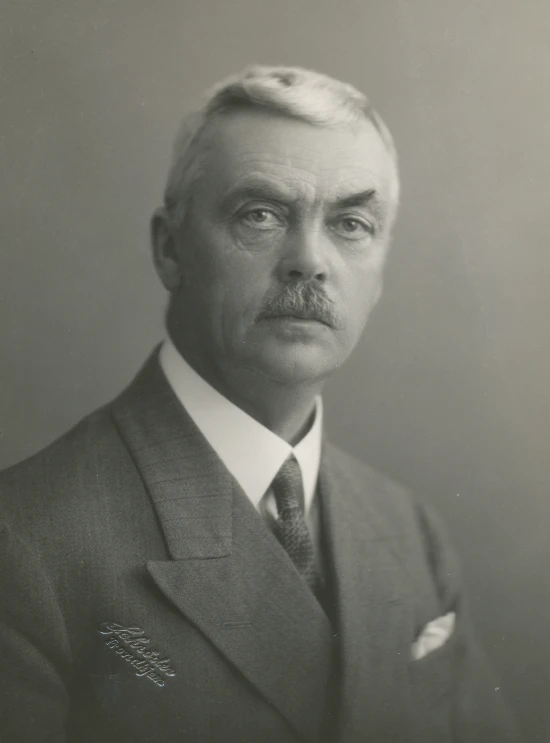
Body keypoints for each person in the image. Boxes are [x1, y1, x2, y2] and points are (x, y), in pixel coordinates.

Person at [0, 65, 521, 743]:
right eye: (261, 215)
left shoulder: (411, 532)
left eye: (351, 223)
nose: (309, 260)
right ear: (170, 249)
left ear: (381, 272)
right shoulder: (28, 543)